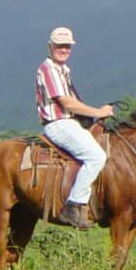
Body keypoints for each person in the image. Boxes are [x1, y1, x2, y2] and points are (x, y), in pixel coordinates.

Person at [35, 27, 114, 229]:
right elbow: (67, 104)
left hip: (70, 123)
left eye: (67, 46)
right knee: (97, 156)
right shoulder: (49, 69)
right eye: (59, 45)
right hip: (59, 125)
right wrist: (98, 112)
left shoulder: (63, 70)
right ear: (50, 46)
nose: (63, 49)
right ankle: (73, 204)